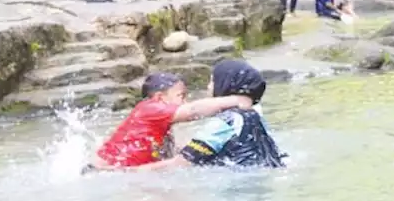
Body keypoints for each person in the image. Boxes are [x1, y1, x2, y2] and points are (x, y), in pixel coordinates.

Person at [90, 73, 254, 170]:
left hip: (116, 171)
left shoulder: (159, 123)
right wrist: (236, 99)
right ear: (160, 97)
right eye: (181, 96)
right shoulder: (150, 108)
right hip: (105, 171)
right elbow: (192, 111)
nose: (184, 102)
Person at [148, 61, 286, 169]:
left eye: (212, 81)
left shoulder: (227, 120)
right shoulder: (255, 116)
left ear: (225, 84)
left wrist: (134, 171)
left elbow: (182, 163)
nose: (208, 86)